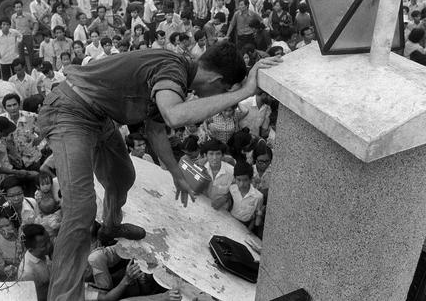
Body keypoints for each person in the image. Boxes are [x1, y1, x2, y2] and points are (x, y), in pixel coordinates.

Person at [38, 43, 280, 301]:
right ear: (217, 80)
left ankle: (110, 228)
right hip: (70, 112)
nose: (215, 100)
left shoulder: (175, 79)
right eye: (221, 93)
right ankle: (63, 297)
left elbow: (155, 129)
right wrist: (244, 92)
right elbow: (174, 116)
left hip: (99, 117)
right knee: (81, 208)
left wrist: (177, 174)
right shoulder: (173, 69)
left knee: (123, 176)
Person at [0, 206, 23, 280]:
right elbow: (0, 270)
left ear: (14, 223)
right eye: (0, 227)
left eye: (7, 225)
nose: (5, 230)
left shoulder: (23, 234)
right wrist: (8, 270)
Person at [228, 161, 264, 234]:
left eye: (245, 180)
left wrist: (249, 230)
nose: (242, 184)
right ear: (235, 178)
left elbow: (256, 215)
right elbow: (229, 205)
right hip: (230, 220)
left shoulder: (258, 197)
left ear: (251, 179)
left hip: (245, 225)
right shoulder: (232, 189)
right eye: (239, 180)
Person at [18, 224, 52, 301]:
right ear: (30, 249)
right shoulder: (27, 273)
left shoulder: (42, 253)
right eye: (44, 245)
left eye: (49, 241)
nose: (49, 246)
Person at [11, 0, 38, 72]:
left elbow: (35, 22)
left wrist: (34, 32)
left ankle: (33, 69)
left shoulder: (28, 15)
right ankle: (24, 70)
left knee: (31, 53)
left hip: (28, 36)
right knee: (21, 55)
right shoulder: (13, 17)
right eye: (17, 7)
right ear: (14, 9)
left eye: (20, 7)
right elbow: (12, 28)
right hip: (19, 38)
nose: (18, 9)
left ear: (22, 7)